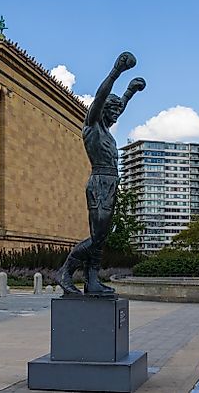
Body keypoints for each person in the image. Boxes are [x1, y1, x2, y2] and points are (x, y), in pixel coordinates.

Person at [58, 51, 145, 295]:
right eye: (113, 110)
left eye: (119, 110)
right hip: (99, 183)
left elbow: (117, 106)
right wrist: (117, 72)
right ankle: (65, 272)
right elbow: (101, 97)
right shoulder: (92, 125)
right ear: (103, 110)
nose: (117, 114)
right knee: (97, 237)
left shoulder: (106, 130)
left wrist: (129, 93)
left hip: (110, 183)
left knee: (102, 236)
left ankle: (92, 281)